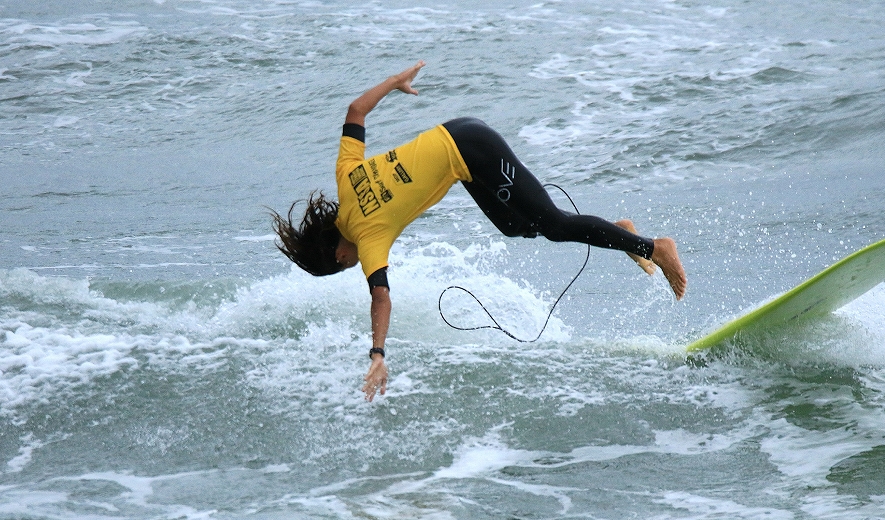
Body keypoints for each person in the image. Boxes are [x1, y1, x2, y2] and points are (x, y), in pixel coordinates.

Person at [272, 61, 687, 401]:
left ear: (338, 256)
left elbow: (380, 296)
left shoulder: (369, 239)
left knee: (555, 225)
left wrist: (377, 354)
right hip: (460, 145)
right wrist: (394, 82)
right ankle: (620, 235)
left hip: (473, 149)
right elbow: (355, 111)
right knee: (513, 225)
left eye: (346, 267)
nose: (355, 265)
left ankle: (655, 247)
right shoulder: (346, 179)